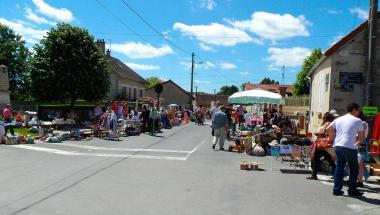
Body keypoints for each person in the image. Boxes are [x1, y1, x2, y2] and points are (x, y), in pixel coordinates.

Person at [327, 103, 364, 196]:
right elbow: (361, 136)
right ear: (354, 110)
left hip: (338, 145)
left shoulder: (339, 119)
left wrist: (334, 139)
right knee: (354, 168)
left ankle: (336, 189)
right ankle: (352, 190)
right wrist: (356, 144)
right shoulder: (358, 120)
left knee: (339, 167)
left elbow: (328, 128)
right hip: (349, 146)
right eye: (358, 110)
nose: (359, 112)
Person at [307, 112, 336, 180]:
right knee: (329, 159)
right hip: (328, 145)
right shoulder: (334, 124)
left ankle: (314, 175)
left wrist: (318, 133)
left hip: (322, 144)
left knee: (316, 159)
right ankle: (340, 173)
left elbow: (319, 132)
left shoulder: (327, 124)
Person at [357, 112, 370, 187]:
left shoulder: (361, 123)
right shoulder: (365, 123)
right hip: (363, 142)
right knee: (360, 162)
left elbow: (360, 134)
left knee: (359, 162)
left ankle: (359, 180)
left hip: (360, 141)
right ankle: (360, 180)